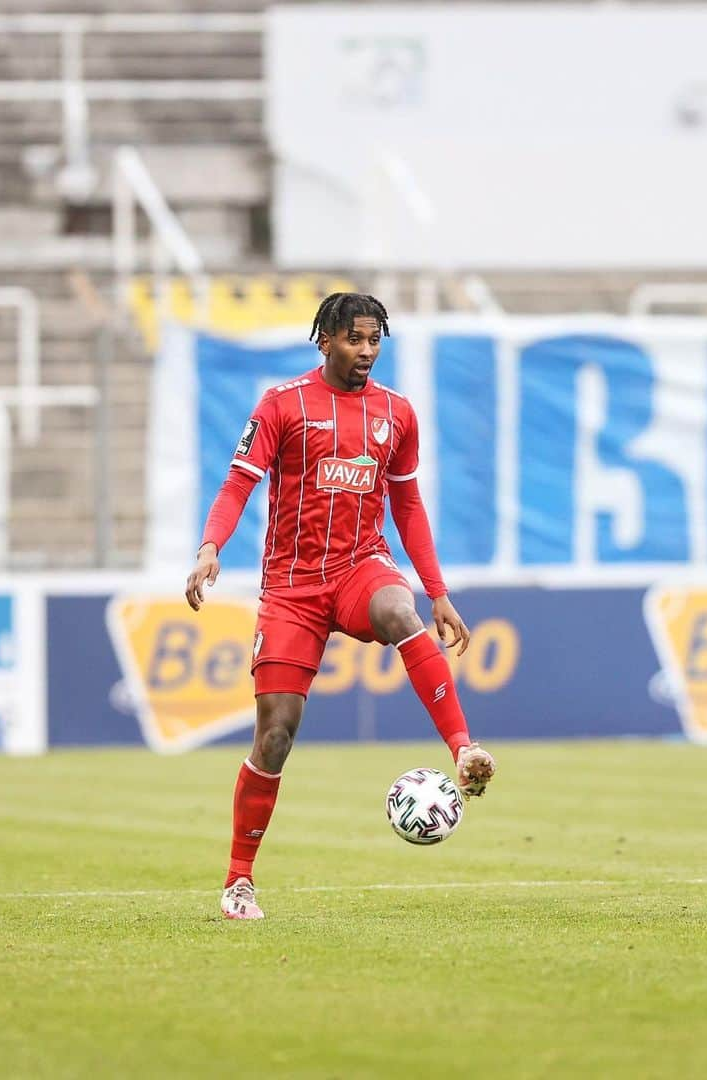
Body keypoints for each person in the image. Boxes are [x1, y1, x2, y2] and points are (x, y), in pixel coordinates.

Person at [184, 292, 496, 921]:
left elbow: (407, 506)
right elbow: (238, 481)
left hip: (360, 568)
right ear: (324, 339)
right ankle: (239, 879)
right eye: (354, 340)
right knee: (274, 736)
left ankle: (463, 748)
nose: (366, 352)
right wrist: (210, 546)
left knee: (401, 614)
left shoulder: (396, 414)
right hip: (292, 588)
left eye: (375, 341)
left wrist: (436, 592)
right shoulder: (281, 404)